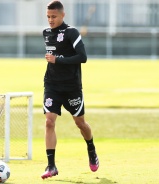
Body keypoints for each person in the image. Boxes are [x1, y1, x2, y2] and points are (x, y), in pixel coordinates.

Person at [41, 0, 99, 180]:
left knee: (80, 123)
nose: (50, 20)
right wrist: (54, 62)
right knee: (49, 122)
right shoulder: (46, 33)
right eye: (48, 17)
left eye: (54, 16)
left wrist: (58, 60)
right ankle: (51, 166)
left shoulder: (71, 32)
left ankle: (91, 148)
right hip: (52, 85)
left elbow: (82, 57)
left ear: (62, 15)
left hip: (72, 87)